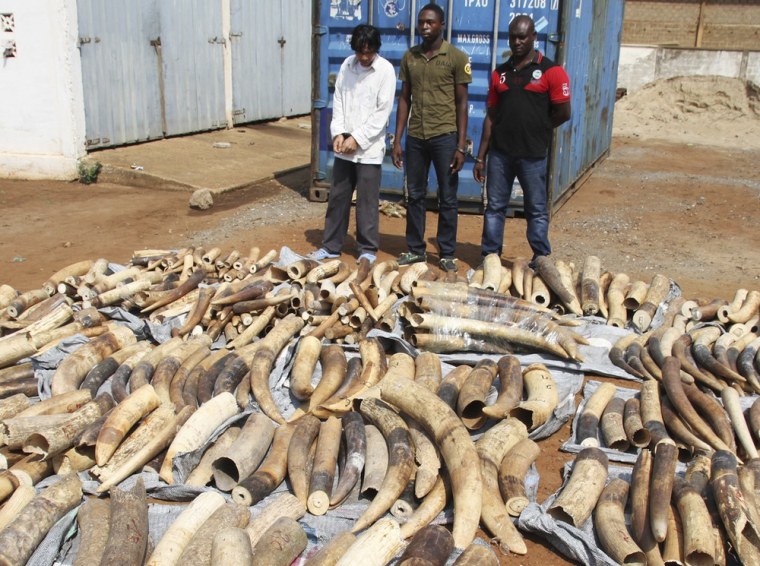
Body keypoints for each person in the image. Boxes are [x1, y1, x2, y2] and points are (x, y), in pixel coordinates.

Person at [473, 15, 571, 267]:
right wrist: (481, 156)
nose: (517, 42)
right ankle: (490, 256)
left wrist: (539, 129)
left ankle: (541, 259)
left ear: (533, 38)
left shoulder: (552, 71)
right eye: (513, 36)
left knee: (536, 209)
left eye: (522, 37)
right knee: (495, 208)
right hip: (500, 155)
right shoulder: (500, 74)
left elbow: (563, 112)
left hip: (533, 155)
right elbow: (491, 116)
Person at [391, 3, 471, 272]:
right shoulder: (410, 57)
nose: (425, 26)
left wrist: (461, 145)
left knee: (447, 197)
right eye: (421, 22)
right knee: (414, 195)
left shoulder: (456, 58)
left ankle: (447, 253)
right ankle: (416, 250)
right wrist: (397, 139)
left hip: (445, 137)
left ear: (442, 25)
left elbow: (462, 103)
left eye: (430, 22)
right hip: (415, 137)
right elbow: (404, 99)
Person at [308, 24, 396, 264]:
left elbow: (382, 113)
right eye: (360, 52)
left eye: (369, 52)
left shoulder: (385, 71)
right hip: (344, 146)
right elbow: (339, 103)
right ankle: (331, 246)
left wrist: (357, 138)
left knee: (367, 200)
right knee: (338, 196)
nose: (364, 57)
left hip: (368, 149)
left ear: (376, 49)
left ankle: (367, 248)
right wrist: (338, 134)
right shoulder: (347, 66)